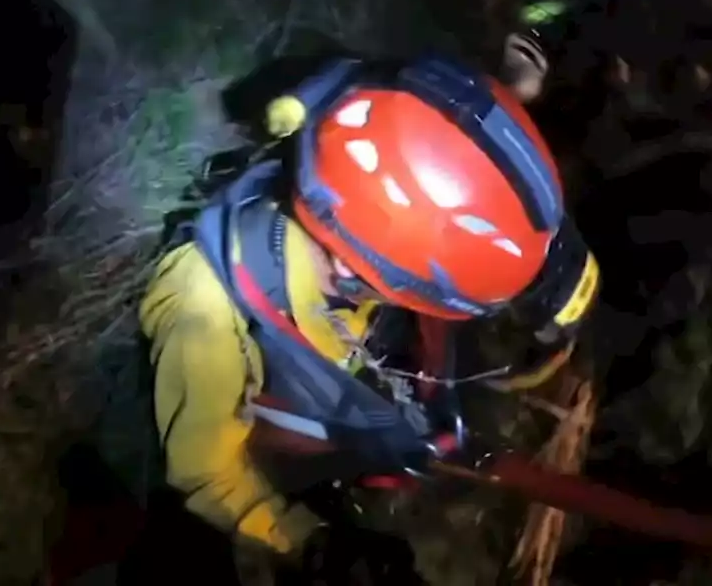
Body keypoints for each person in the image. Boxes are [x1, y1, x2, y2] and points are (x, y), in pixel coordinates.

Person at [137, 35, 602, 579]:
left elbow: (441, 137)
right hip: (290, 434)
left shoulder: (362, 124)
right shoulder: (204, 313)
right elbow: (206, 473)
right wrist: (309, 543)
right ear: (355, 266)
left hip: (353, 361)